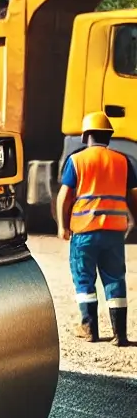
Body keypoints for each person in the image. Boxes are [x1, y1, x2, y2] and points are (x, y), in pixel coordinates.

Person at [56, 110, 137, 346]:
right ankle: (120, 334)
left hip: (84, 232)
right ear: (109, 136)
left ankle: (89, 329)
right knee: (114, 279)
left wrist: (62, 226)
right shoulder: (122, 161)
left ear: (85, 136)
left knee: (84, 279)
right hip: (113, 233)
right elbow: (132, 196)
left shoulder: (77, 160)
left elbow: (64, 197)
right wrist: (135, 219)